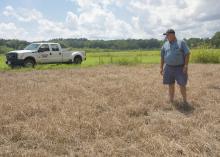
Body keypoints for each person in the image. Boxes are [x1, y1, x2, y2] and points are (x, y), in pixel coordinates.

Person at [160, 29, 190, 104]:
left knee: (182, 85)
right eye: (166, 35)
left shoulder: (181, 43)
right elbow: (162, 56)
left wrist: (186, 66)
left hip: (180, 68)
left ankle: (185, 101)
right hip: (168, 67)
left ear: (173, 35)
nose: (166, 37)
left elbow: (187, 54)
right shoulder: (165, 44)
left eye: (168, 35)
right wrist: (161, 67)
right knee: (170, 84)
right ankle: (171, 100)